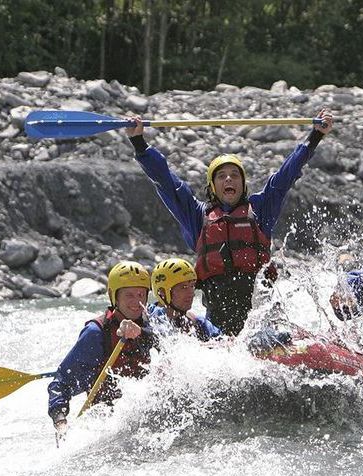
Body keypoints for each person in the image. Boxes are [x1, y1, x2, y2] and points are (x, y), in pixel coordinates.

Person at [125, 109, 334, 335]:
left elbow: (285, 176)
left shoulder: (261, 210)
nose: (228, 179)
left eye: (235, 175)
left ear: (243, 185)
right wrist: (139, 143)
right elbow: (166, 181)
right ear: (213, 186)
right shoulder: (197, 217)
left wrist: (315, 137)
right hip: (217, 325)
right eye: (221, 175)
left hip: (261, 320)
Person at [47, 261, 156, 437]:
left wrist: (140, 333)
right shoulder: (96, 333)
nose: (137, 301)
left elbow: (162, 341)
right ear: (114, 296)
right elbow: (62, 383)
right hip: (108, 422)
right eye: (129, 295)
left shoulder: (152, 322)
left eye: (141, 294)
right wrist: (60, 420)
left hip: (147, 414)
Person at [149, 257, 222, 341]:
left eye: (192, 286)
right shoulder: (151, 317)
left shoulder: (197, 322)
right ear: (162, 293)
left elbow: (224, 340)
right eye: (184, 287)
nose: (192, 293)